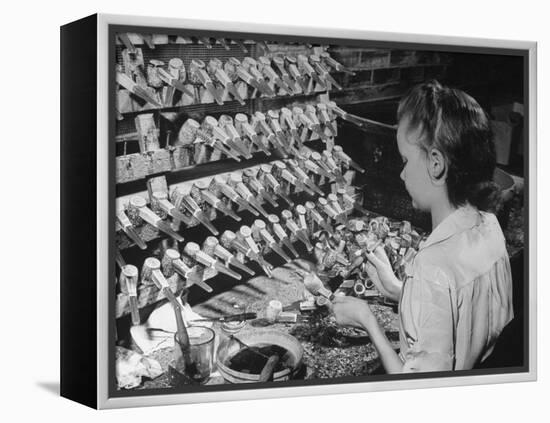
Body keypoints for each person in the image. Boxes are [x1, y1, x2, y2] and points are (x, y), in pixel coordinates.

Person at [328, 81, 514, 373]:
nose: (401, 173)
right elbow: (458, 311)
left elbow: (417, 390)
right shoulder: (490, 225)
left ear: (436, 164)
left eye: (405, 160)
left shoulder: (431, 267)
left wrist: (367, 320)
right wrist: (398, 290)